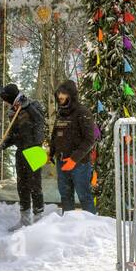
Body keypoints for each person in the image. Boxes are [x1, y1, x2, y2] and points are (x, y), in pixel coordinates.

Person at [0, 82, 47, 226]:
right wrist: (4, 144)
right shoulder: (12, 111)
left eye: (5, 100)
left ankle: (38, 219)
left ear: (10, 97)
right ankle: (24, 219)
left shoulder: (33, 104)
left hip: (35, 150)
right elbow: (13, 134)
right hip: (21, 151)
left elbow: (40, 121)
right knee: (22, 185)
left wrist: (28, 107)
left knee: (35, 185)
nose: (5, 103)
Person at [50, 80, 95, 214]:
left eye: (63, 93)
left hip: (79, 164)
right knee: (65, 196)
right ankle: (68, 226)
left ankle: (92, 226)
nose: (60, 96)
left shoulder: (83, 112)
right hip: (62, 162)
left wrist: (74, 160)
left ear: (71, 94)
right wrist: (51, 152)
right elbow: (55, 135)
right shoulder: (61, 113)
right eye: (59, 93)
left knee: (84, 196)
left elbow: (89, 140)